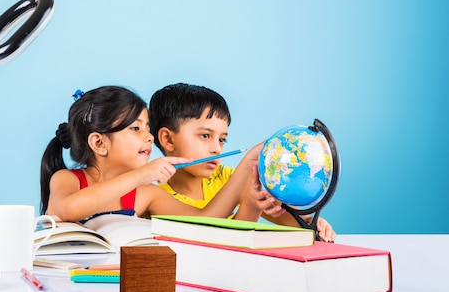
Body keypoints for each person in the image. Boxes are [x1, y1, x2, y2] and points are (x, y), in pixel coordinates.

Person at [40, 85, 281, 223]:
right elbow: (66, 210)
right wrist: (140, 176)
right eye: (135, 128)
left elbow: (206, 224)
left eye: (147, 128)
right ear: (99, 143)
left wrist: (250, 196)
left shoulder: (148, 195)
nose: (149, 137)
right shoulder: (66, 179)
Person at [148, 82, 336, 242]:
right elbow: (214, 237)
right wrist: (247, 167)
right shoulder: (156, 196)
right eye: (205, 135)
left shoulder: (226, 177)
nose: (216, 149)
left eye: (222, 139)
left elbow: (288, 220)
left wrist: (312, 222)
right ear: (168, 140)